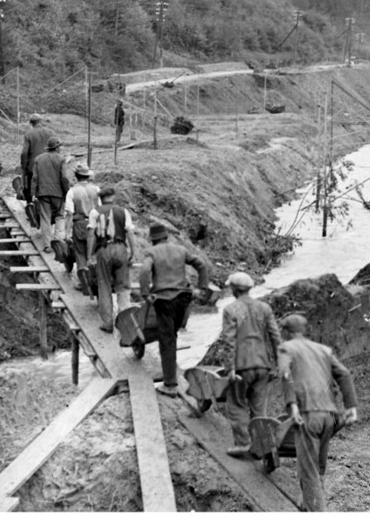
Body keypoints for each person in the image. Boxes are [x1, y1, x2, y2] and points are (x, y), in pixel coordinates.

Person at [277, 314, 358, 512]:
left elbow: (285, 374)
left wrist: (292, 404)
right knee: (319, 467)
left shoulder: (286, 348)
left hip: (308, 415)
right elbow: (345, 374)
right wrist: (351, 407)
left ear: (287, 332)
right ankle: (307, 503)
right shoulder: (323, 350)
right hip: (329, 416)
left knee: (309, 471)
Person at [138, 223, 209, 397]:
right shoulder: (181, 250)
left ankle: (169, 384)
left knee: (167, 340)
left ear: (152, 239)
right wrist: (201, 288)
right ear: (167, 236)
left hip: (164, 299)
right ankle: (172, 373)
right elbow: (201, 264)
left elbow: (145, 271)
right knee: (174, 334)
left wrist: (145, 293)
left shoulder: (152, 253)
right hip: (183, 298)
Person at [221, 272, 282, 457]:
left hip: (242, 366)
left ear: (233, 289)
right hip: (263, 366)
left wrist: (230, 369)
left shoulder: (231, 310)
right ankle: (261, 445)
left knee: (237, 404)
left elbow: (229, 341)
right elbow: (275, 337)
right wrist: (279, 364)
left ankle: (243, 444)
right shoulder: (264, 308)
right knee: (259, 408)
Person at [87, 186, 137, 332]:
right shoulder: (124, 211)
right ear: (113, 197)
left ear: (100, 199)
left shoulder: (95, 212)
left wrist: (90, 255)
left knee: (104, 286)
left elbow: (91, 235)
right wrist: (133, 253)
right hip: (121, 249)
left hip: (103, 250)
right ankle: (125, 323)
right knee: (123, 287)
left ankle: (107, 323)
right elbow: (130, 233)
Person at [62, 163, 100, 291]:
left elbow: (69, 213)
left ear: (76, 176)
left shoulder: (72, 191)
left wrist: (66, 232)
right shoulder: (96, 189)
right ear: (87, 176)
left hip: (79, 224)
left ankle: (83, 281)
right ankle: (94, 280)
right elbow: (101, 208)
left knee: (80, 253)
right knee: (93, 251)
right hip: (95, 224)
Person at [31, 137, 69, 252]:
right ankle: (59, 242)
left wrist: (33, 192)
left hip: (43, 193)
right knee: (60, 215)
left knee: (45, 218)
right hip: (58, 193)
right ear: (56, 147)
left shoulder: (38, 159)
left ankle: (47, 245)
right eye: (59, 147)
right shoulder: (61, 159)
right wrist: (67, 191)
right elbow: (65, 178)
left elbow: (34, 178)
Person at [19, 114, 54, 204]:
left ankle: (30, 208)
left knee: (31, 187)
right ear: (41, 121)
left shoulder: (28, 134)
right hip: (48, 165)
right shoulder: (50, 132)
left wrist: (24, 166)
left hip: (33, 166)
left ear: (31, 123)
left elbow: (24, 152)